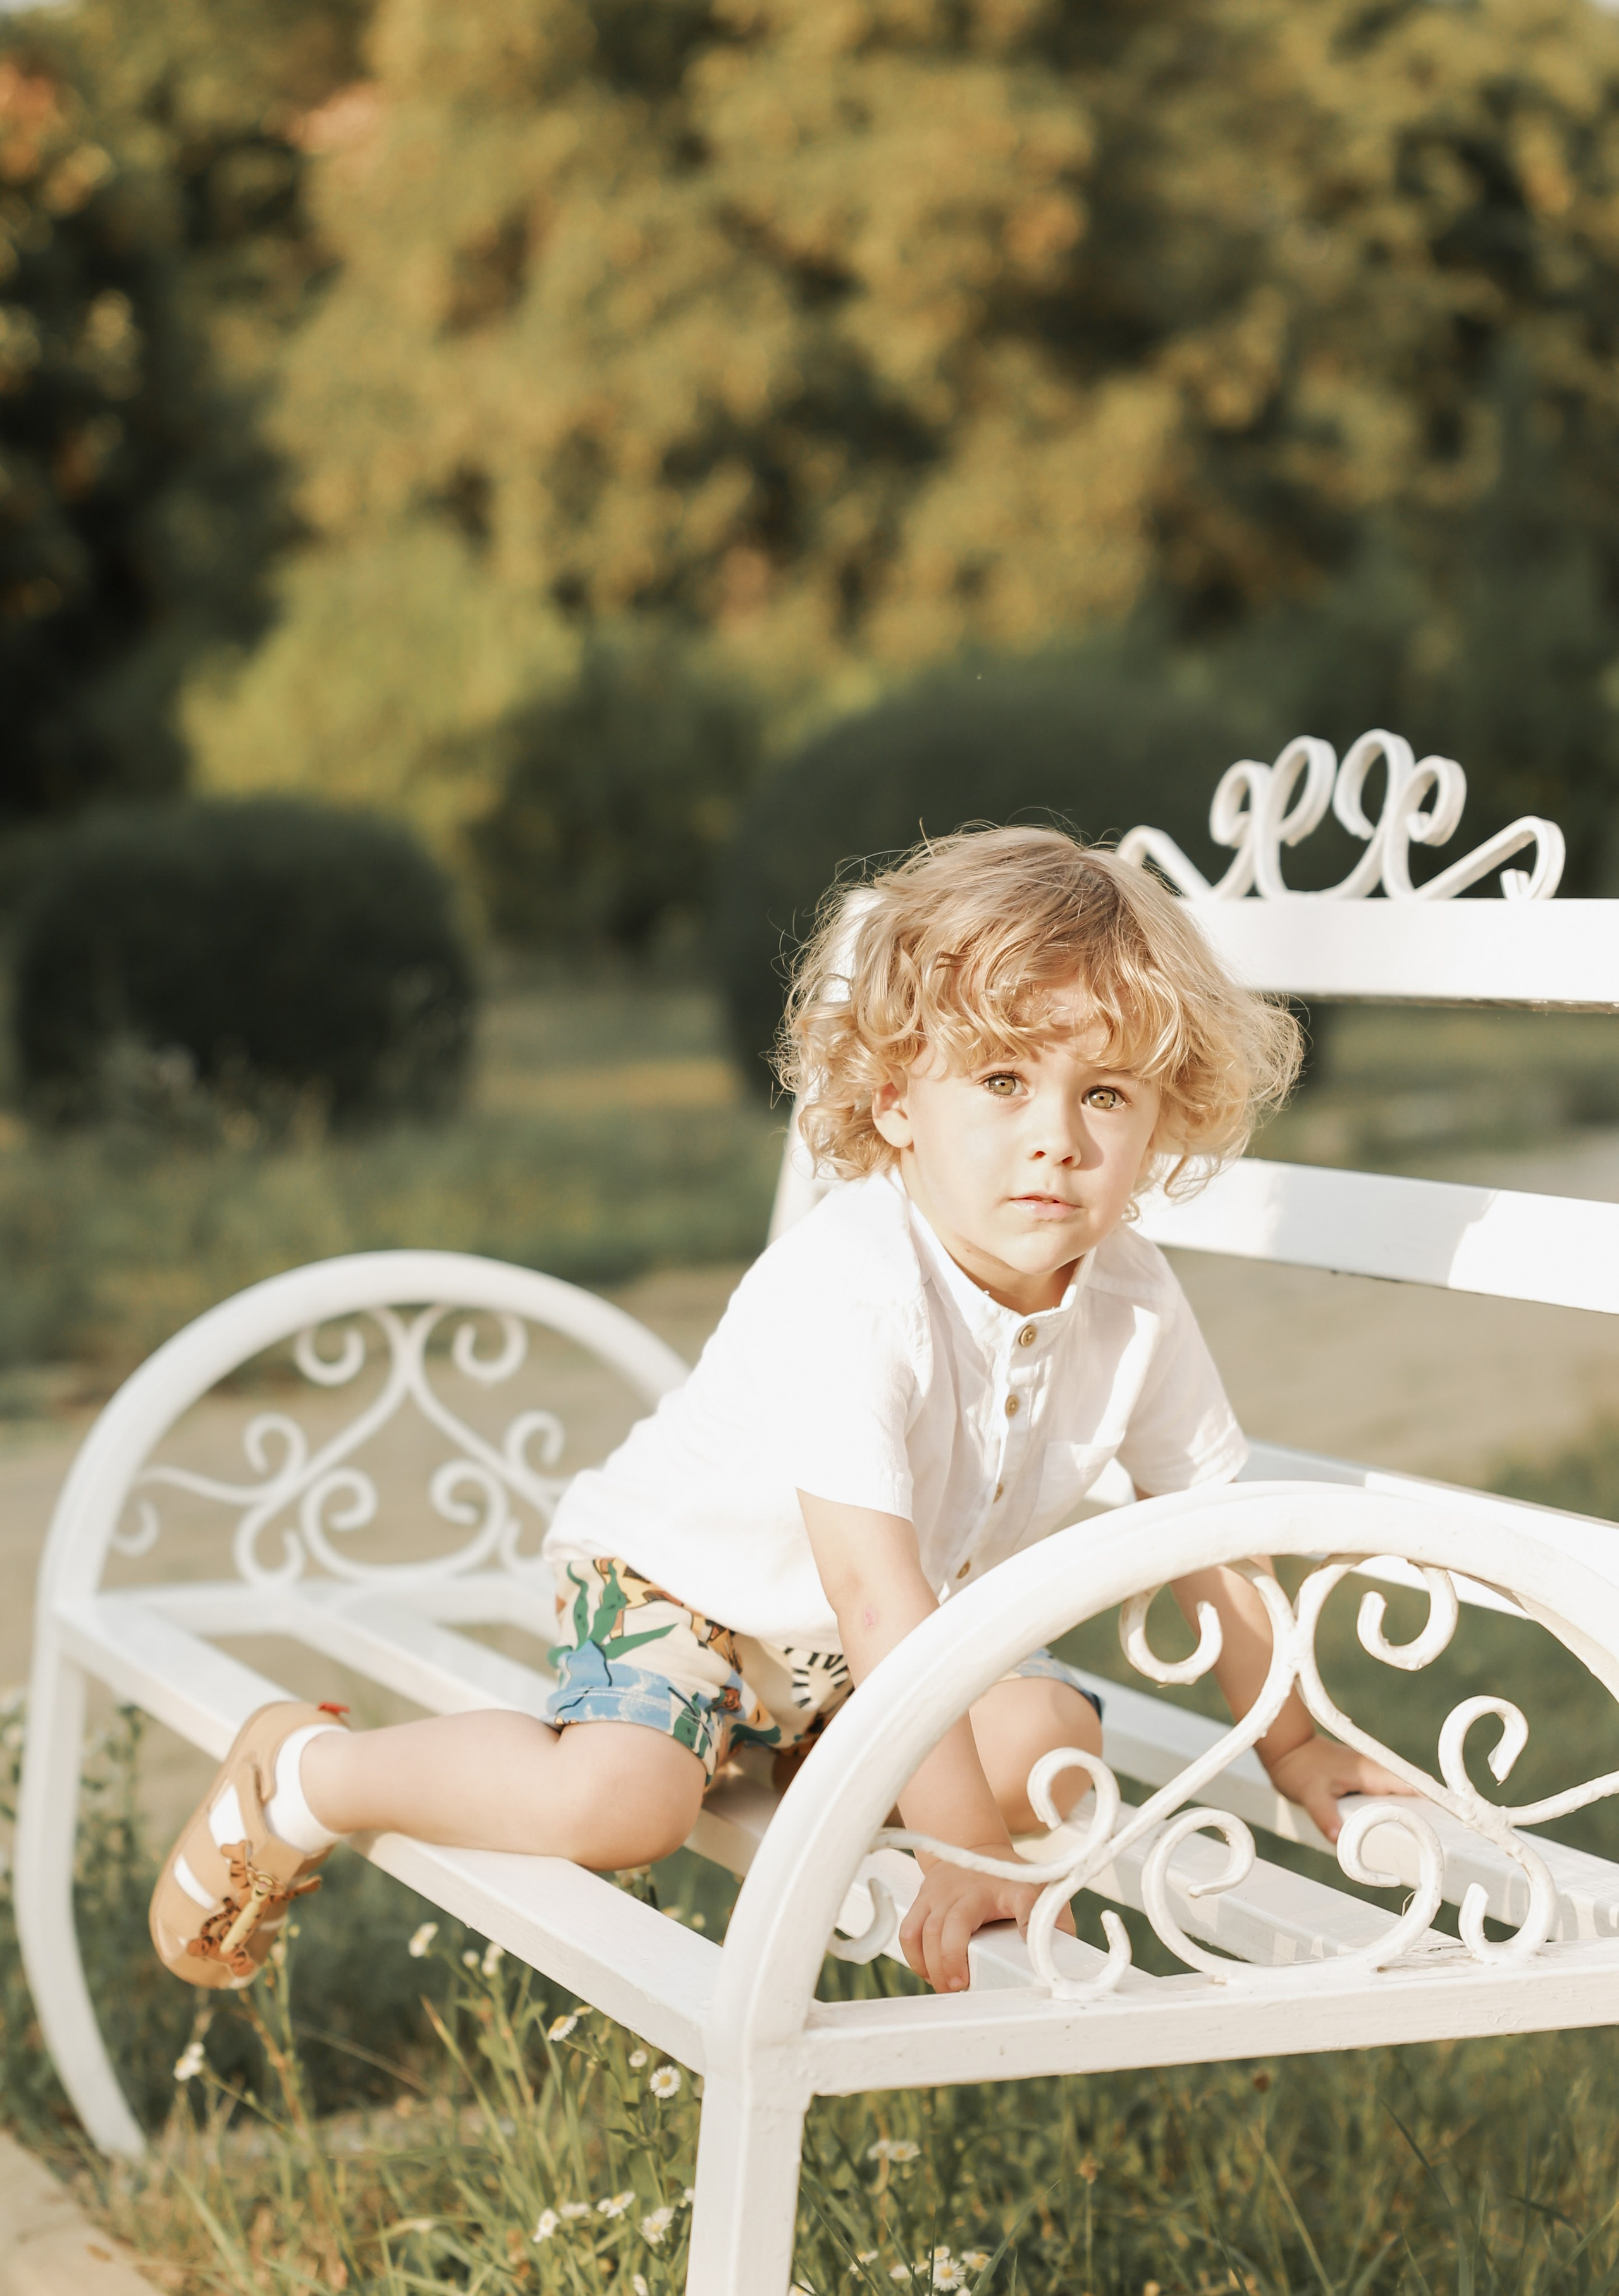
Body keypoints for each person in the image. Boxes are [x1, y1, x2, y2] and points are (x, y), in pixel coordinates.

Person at [151, 826, 1407, 1998]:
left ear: (1161, 1116)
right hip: (692, 1595)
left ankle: (806, 1759)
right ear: (898, 1100)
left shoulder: (1131, 1299)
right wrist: (969, 1852)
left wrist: (1293, 1744)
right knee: (622, 1804)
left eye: (1106, 1096)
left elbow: (1210, 1535)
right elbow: (873, 1590)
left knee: (1049, 1740)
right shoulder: (857, 1282)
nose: (1057, 1140)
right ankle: (311, 1772)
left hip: (870, 1653)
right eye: (1003, 1080)